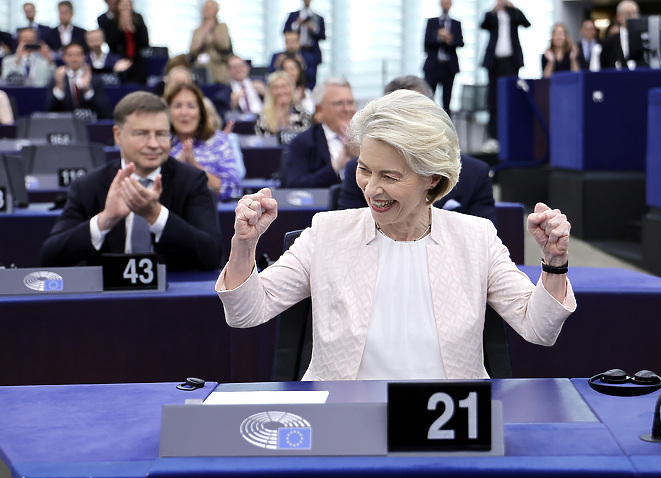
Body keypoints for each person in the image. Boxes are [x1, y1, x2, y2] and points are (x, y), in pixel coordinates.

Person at [216, 89, 575, 381]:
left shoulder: (476, 237)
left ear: (432, 178)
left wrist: (554, 264)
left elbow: (539, 328)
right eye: (364, 169)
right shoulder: (327, 233)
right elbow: (246, 312)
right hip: (342, 425)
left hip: (450, 431)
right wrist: (244, 246)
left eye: (389, 176)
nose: (371, 189)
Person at [40, 91, 223, 271]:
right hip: (109, 300)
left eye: (161, 134)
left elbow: (213, 255)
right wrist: (105, 220)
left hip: (172, 297)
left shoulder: (191, 181)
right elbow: (49, 258)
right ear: (117, 135)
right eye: (142, 134)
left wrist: (156, 216)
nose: (153, 144)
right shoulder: (88, 186)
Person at [339, 75, 496, 225]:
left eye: (390, 177)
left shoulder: (474, 174)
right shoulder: (356, 173)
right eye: (392, 120)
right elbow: (347, 232)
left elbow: (479, 245)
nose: (371, 190)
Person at [166, 82, 242, 201]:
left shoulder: (218, 140)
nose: (184, 112)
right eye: (177, 106)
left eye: (191, 106)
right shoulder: (160, 142)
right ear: (168, 112)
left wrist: (195, 167)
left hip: (214, 214)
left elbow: (233, 189)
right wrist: (178, 168)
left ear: (200, 113)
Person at [282, 77, 357, 188]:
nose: (347, 109)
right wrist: (336, 166)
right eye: (339, 103)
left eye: (350, 103)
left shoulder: (367, 140)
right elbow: (295, 186)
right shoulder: (302, 143)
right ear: (319, 110)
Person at [480, 0, 531, 148]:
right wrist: (493, 10)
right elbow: (483, 25)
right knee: (493, 100)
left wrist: (514, 8)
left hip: (511, 62)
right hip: (494, 63)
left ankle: (510, 134)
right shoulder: (492, 14)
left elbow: (527, 24)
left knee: (511, 99)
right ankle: (493, 137)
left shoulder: (513, 13)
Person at [45, 41, 112, 118]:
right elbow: (49, 110)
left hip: (89, 125)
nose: (74, 59)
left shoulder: (95, 80)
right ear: (64, 58)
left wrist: (87, 89)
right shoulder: (56, 80)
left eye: (78, 55)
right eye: (70, 55)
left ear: (84, 57)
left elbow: (104, 111)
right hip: (65, 126)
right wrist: (60, 87)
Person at [422, 0, 464, 116]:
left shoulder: (456, 24)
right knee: (428, 98)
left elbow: (460, 42)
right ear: (440, 4)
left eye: (448, 3)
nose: (445, 5)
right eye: (443, 2)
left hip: (449, 67)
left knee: (447, 100)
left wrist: (448, 40)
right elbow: (426, 42)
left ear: (451, 4)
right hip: (433, 66)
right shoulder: (432, 22)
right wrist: (439, 37)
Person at [254, 70, 312, 138]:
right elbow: (263, 140)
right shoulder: (262, 115)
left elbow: (306, 140)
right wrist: (279, 114)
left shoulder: (303, 114)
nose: (280, 91)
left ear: (291, 88)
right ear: (270, 92)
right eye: (276, 88)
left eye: (284, 87)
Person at [105, 0, 149, 85]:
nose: (126, 8)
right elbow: (111, 44)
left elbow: (145, 42)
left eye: (127, 5)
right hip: (119, 59)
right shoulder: (112, 22)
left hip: (137, 60)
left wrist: (132, 29)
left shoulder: (138, 19)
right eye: (123, 5)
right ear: (117, 6)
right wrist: (121, 28)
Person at [283, 0, 325, 89]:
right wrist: (297, 24)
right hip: (295, 51)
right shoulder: (294, 16)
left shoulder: (317, 17)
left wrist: (314, 29)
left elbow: (323, 36)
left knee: (311, 77)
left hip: (311, 51)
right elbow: (285, 31)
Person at [189, 0, 233, 85]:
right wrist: (204, 33)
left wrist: (213, 29)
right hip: (201, 69)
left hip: (219, 68)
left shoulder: (222, 27)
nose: (206, 10)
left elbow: (224, 46)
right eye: (205, 8)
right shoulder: (197, 30)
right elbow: (192, 51)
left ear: (216, 11)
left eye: (209, 8)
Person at [599, 1, 642, 70]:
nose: (633, 17)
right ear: (619, 17)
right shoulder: (609, 42)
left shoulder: (644, 38)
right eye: (628, 14)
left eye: (635, 13)